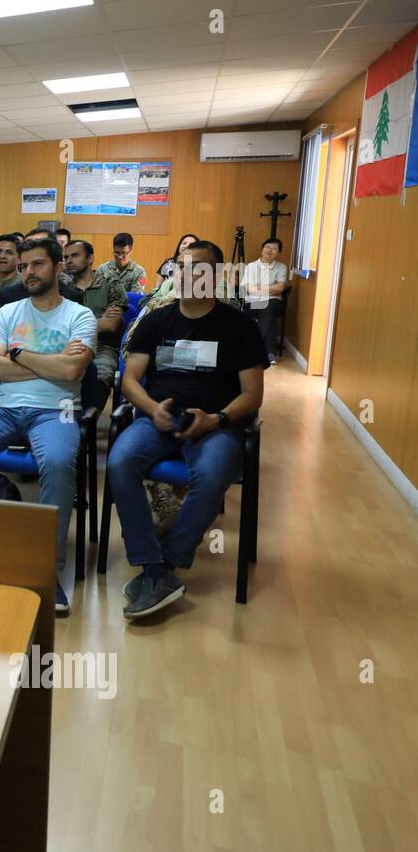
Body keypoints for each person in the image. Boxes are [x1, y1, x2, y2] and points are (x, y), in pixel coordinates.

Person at [108, 239, 265, 620]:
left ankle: (168, 563)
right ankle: (153, 566)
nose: (186, 273)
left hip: (214, 424)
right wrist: (150, 409)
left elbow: (253, 395)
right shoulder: (157, 320)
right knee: (119, 463)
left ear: (215, 276)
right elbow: (129, 380)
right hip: (159, 417)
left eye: (197, 267)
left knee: (211, 476)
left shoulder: (239, 326)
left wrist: (219, 419)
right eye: (181, 266)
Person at [0, 238, 96, 614]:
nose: (29, 272)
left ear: (59, 268)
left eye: (38, 264)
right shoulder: (8, 313)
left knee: (58, 465)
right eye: (25, 265)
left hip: (57, 409)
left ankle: (44, 570)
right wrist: (51, 360)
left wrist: (19, 353)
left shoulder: (80, 316)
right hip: (5, 408)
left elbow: (73, 370)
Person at [64, 239, 127, 406]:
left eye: (75, 255)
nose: (69, 260)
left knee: (101, 375)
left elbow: (111, 325)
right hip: (68, 345)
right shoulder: (62, 288)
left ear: (90, 258)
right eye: (66, 257)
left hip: (102, 347)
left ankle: (88, 421)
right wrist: (100, 319)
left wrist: (74, 326)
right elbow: (59, 326)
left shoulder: (111, 284)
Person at [240, 237, 288, 365]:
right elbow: (249, 289)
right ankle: (269, 352)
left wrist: (259, 288)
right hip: (253, 302)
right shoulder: (251, 266)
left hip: (274, 302)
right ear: (262, 249)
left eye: (274, 249)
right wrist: (268, 289)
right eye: (267, 247)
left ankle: (255, 348)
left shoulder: (281, 267)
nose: (270, 250)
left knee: (269, 307)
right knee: (267, 313)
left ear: (278, 253)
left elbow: (279, 288)